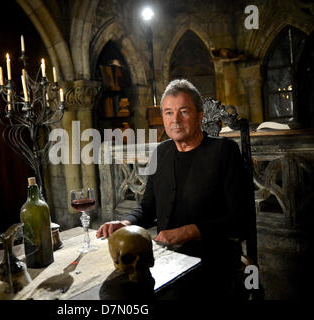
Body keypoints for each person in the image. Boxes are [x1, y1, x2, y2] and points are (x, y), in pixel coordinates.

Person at [96, 79, 253, 298]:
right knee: (110, 292)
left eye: (184, 112)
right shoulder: (161, 153)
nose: (175, 120)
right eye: (168, 113)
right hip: (167, 257)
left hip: (213, 259)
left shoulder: (224, 151)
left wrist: (187, 232)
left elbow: (240, 221)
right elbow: (148, 207)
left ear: (200, 116)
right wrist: (125, 222)